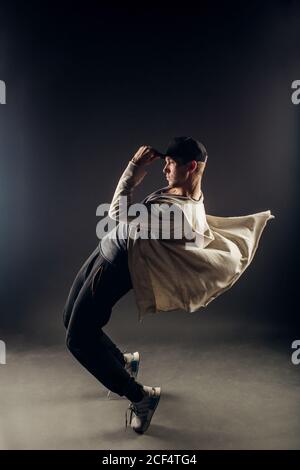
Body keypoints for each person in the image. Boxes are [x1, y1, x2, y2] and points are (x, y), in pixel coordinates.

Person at [63, 136, 275, 435]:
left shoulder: (181, 216)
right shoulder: (185, 193)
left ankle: (141, 396)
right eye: (165, 162)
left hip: (113, 268)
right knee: (70, 320)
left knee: (78, 339)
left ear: (191, 167)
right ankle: (124, 363)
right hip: (105, 252)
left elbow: (115, 213)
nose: (165, 169)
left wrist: (133, 168)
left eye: (171, 164)